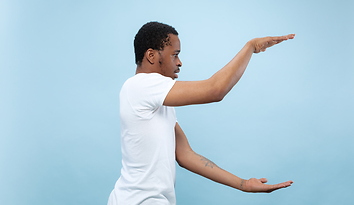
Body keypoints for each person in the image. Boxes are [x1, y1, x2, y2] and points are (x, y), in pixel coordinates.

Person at [108, 21, 295, 205]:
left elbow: (185, 154)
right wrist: (250, 47)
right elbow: (215, 90)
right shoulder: (140, 86)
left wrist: (243, 184)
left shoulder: (158, 102)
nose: (179, 62)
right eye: (175, 55)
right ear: (151, 55)